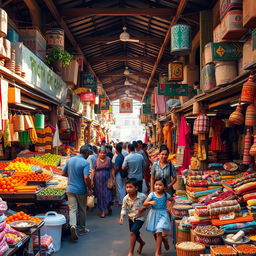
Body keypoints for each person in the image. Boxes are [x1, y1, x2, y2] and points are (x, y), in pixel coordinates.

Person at [62, 145, 92, 241]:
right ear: (87, 153)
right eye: (89, 153)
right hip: (80, 189)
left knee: (72, 209)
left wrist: (71, 176)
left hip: (70, 189)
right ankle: (82, 229)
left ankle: (73, 225)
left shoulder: (70, 160)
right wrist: (89, 188)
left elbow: (63, 173)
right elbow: (86, 177)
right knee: (82, 209)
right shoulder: (85, 163)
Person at [144, 178, 171, 256]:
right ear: (153, 185)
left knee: (159, 231)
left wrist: (169, 208)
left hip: (163, 214)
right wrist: (150, 202)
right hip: (153, 214)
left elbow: (172, 200)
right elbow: (145, 203)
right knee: (155, 233)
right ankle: (164, 241)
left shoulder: (166, 195)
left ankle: (157, 252)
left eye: (160, 185)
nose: (158, 187)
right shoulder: (152, 194)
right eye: (156, 185)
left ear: (164, 186)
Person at [120, 179, 147, 256]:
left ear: (136, 188)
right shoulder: (125, 198)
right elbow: (123, 208)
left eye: (130, 187)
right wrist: (121, 216)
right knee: (135, 234)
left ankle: (131, 252)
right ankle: (142, 243)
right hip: (131, 218)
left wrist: (144, 208)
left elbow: (148, 204)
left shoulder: (142, 196)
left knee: (132, 233)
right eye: (127, 187)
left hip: (140, 218)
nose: (128, 189)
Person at [91, 146, 115, 218]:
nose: (102, 154)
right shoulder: (96, 160)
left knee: (108, 194)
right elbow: (93, 170)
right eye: (101, 153)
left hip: (107, 180)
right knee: (100, 196)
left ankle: (108, 207)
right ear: (99, 153)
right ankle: (102, 211)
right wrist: (92, 180)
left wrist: (113, 178)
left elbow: (112, 169)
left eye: (104, 153)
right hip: (98, 182)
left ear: (106, 153)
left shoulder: (108, 160)